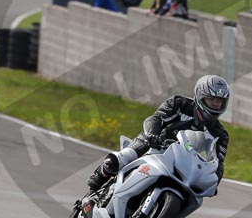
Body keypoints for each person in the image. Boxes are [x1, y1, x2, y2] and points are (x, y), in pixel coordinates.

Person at [85, 75, 230, 195]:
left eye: (219, 101)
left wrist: (213, 182)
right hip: (156, 145)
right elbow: (156, 118)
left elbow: (217, 163)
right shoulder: (179, 103)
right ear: (200, 96)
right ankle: (99, 178)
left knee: (196, 195)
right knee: (126, 155)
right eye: (211, 100)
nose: (215, 105)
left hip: (184, 164)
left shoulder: (220, 134)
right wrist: (152, 134)